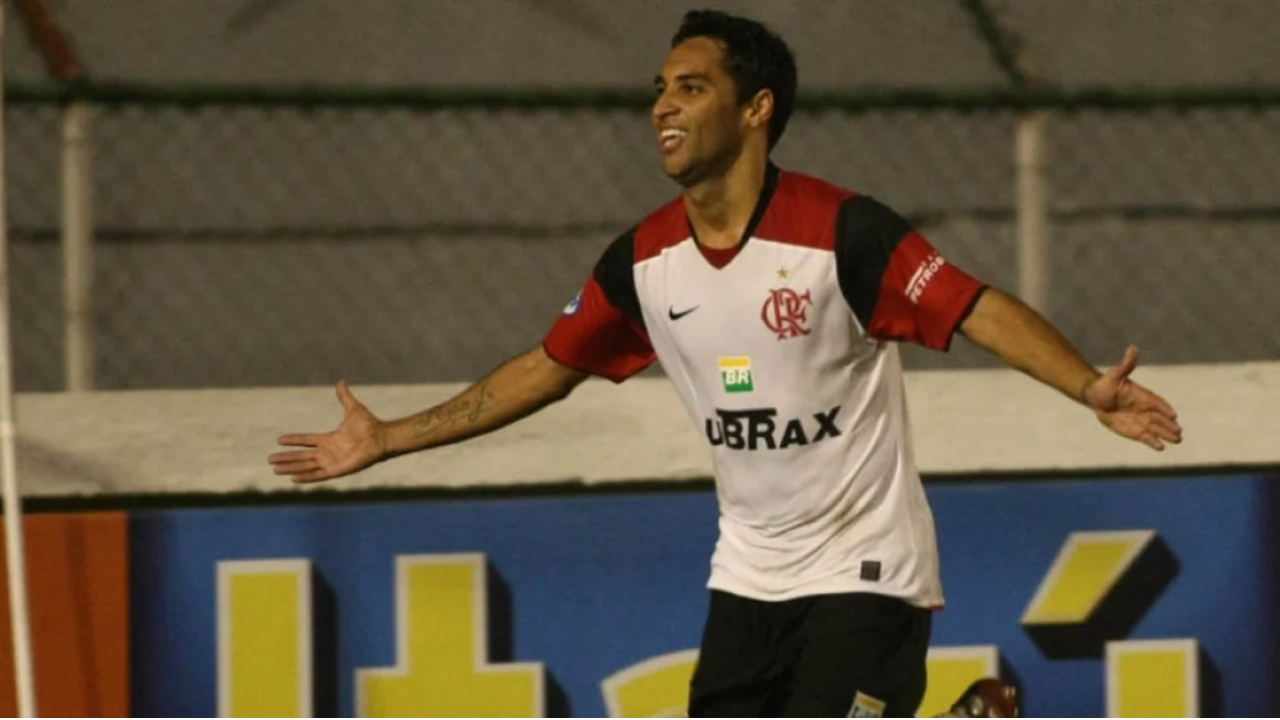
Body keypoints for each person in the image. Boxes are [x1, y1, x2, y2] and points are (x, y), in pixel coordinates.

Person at [268, 9, 1181, 718]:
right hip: (746, 579)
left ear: (756, 110)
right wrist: (389, 438)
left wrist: (1086, 384)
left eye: (692, 87)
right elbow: (545, 367)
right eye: (661, 87)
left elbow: (973, 307)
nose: (663, 104)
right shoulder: (643, 262)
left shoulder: (841, 233)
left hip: (866, 573)